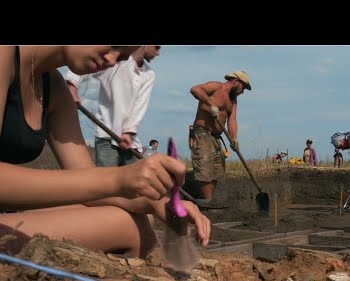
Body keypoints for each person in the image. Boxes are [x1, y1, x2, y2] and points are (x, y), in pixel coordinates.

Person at [0, 46, 210, 258]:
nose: (111, 60)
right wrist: (117, 178)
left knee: (143, 218)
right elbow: (99, 183)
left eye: (122, 57)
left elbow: (85, 181)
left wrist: (159, 203)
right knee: (126, 227)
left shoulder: (52, 87)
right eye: (114, 45)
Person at [65, 46, 160, 167]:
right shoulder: (116, 63)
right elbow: (83, 65)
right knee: (105, 182)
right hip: (106, 136)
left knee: (135, 183)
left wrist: (129, 131)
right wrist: (72, 87)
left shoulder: (149, 75)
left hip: (131, 142)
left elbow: (139, 108)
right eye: (156, 47)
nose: (157, 53)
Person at [190, 70, 251, 203]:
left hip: (216, 137)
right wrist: (211, 104)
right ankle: (208, 203)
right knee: (205, 169)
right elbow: (195, 90)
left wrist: (234, 138)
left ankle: (209, 202)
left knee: (216, 170)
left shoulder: (233, 101)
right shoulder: (216, 86)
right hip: (202, 132)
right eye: (243, 88)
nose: (242, 92)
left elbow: (232, 120)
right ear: (236, 81)